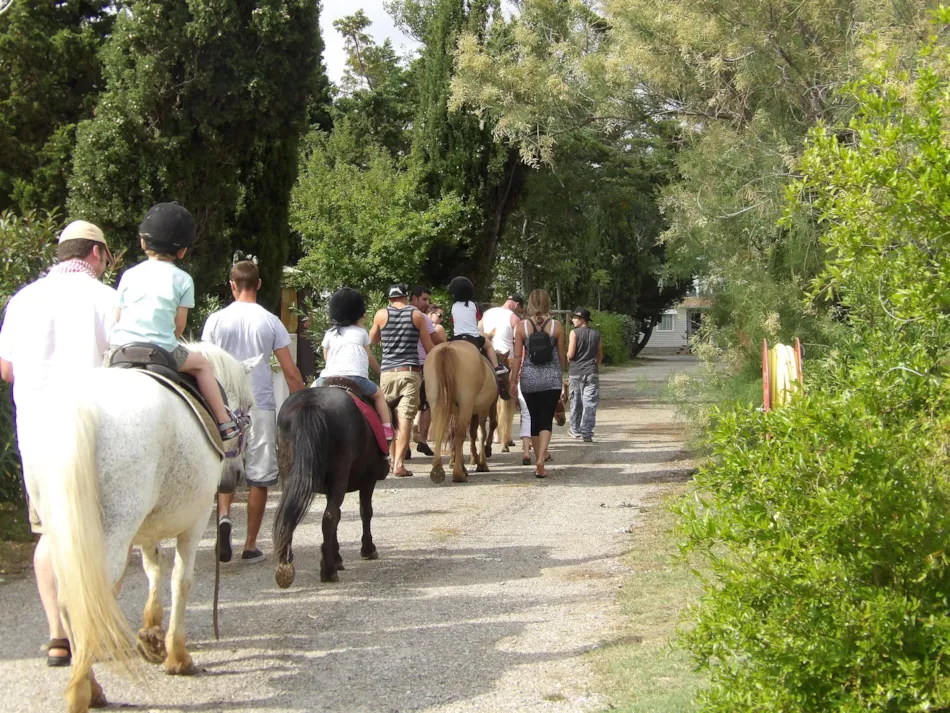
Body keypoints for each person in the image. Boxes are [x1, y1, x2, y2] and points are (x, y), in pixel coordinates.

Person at [0, 220, 116, 667]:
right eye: (106, 256)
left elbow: (7, 370)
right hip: (93, 430)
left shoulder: (23, 299)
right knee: (105, 532)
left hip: (37, 432)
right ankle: (92, 627)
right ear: (94, 253)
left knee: (50, 531)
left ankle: (56, 635)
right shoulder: (107, 299)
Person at [202, 260, 305, 564]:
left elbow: (205, 364)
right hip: (259, 403)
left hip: (223, 405)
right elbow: (290, 371)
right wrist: (302, 399)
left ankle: (223, 517)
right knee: (260, 475)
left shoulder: (216, 321)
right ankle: (250, 545)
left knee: (226, 466)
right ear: (259, 285)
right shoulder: (271, 321)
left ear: (232, 285)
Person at [109, 202, 238, 440]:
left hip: (120, 351)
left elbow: (117, 317)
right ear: (182, 251)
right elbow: (179, 327)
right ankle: (224, 421)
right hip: (160, 351)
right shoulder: (183, 279)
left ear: (143, 242)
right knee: (202, 366)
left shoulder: (129, 274)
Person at [370, 284, 436, 477]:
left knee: (389, 416)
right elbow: (427, 345)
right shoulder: (416, 315)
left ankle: (391, 461)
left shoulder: (381, 314)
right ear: (406, 298)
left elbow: (372, 339)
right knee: (406, 416)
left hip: (388, 372)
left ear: (390, 299)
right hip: (410, 371)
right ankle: (399, 463)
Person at [314, 286, 393, 437]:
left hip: (328, 377)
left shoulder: (329, 333)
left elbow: (326, 357)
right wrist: (380, 372)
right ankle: (387, 429)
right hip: (356, 379)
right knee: (379, 396)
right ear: (358, 313)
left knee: (309, 393)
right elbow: (368, 356)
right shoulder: (361, 333)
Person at [510, 288, 566, 478]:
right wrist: (563, 377)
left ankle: (536, 459)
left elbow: (517, 358)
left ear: (531, 304)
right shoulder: (557, 326)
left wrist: (512, 380)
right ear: (548, 304)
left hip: (529, 379)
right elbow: (561, 357)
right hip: (551, 380)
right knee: (546, 420)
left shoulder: (522, 327)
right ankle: (541, 458)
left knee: (534, 419)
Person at [447, 276, 507, 376]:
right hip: (473, 338)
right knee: (489, 346)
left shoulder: (453, 306)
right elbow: (477, 319)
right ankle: (497, 367)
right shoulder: (474, 305)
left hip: (456, 338)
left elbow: (453, 320)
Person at [409, 285, 442, 457]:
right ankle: (422, 440)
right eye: (424, 299)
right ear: (413, 298)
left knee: (406, 406)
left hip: (400, 365)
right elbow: (435, 341)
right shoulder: (422, 317)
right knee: (427, 404)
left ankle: (403, 445)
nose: (427, 303)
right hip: (422, 366)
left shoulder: (395, 315)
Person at [567, 307, 602, 443]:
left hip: (576, 372)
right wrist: (593, 365)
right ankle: (587, 432)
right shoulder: (596, 334)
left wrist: (569, 358)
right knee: (590, 403)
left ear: (582, 320)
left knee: (576, 401)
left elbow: (571, 354)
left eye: (575, 318)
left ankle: (575, 430)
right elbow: (599, 356)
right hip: (591, 372)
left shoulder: (574, 333)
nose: (573, 320)